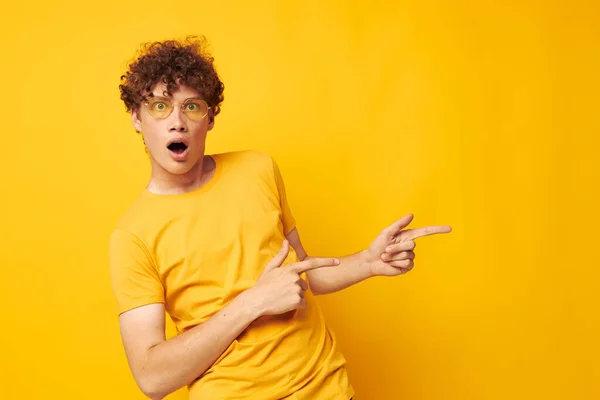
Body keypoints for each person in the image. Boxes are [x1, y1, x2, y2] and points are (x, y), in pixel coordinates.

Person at [109, 35, 451, 400]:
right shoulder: (133, 236)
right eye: (160, 106)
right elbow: (152, 379)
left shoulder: (258, 169)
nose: (177, 122)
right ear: (136, 118)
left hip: (328, 388)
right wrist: (252, 303)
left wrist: (369, 261)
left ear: (209, 118)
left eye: (192, 106)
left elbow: (301, 273)